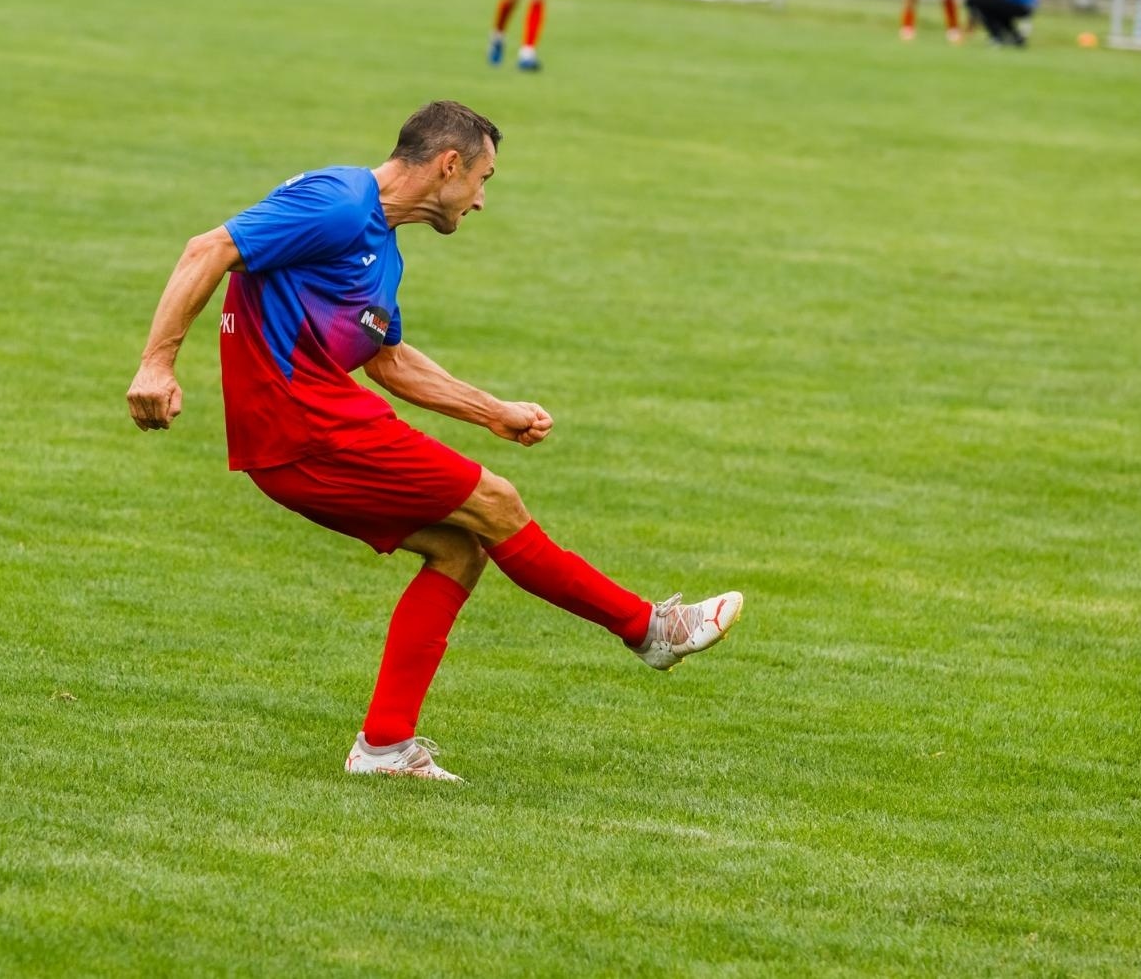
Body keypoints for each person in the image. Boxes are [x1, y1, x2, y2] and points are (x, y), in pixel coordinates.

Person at [126, 101, 743, 779]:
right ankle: (649, 629)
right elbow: (208, 248)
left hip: (301, 438)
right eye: (483, 179)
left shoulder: (380, 255)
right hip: (308, 426)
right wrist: (158, 361)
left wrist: (490, 410)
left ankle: (384, 745)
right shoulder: (338, 200)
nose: (480, 201)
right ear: (449, 165)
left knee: (458, 550)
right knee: (497, 502)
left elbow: (386, 359)